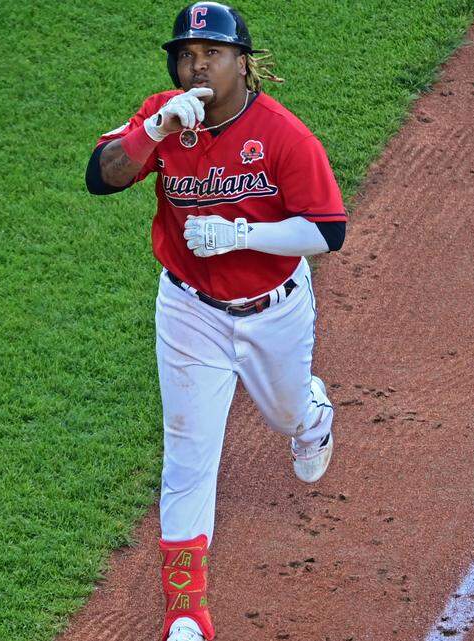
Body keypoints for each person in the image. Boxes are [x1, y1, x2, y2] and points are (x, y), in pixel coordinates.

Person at [84, 3, 346, 639]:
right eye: (186, 55)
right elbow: (100, 177)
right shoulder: (163, 115)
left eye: (212, 53)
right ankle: (186, 617)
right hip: (188, 310)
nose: (195, 65)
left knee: (285, 414)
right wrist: (153, 132)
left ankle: (311, 415)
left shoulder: (284, 135)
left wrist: (240, 234)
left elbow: (328, 231)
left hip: (272, 309)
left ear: (243, 63)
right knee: (188, 454)